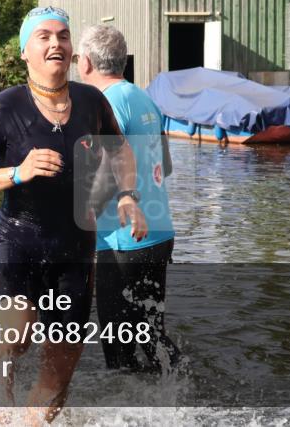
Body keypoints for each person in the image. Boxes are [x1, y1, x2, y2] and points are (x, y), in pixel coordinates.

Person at [0, 6, 147, 423]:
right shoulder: (7, 106)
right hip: (17, 240)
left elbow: (121, 150)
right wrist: (17, 172)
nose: (55, 43)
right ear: (25, 51)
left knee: (62, 359)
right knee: (13, 339)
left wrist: (128, 195)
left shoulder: (92, 101)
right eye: (43, 36)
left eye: (62, 36)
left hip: (75, 245)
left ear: (73, 50)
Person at [76, 24, 181, 373]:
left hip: (123, 237)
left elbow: (111, 163)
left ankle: (128, 410)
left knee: (117, 344)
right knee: (151, 333)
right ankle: (179, 393)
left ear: (86, 63)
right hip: (158, 231)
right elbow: (163, 166)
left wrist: (84, 214)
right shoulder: (143, 97)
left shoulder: (108, 100)